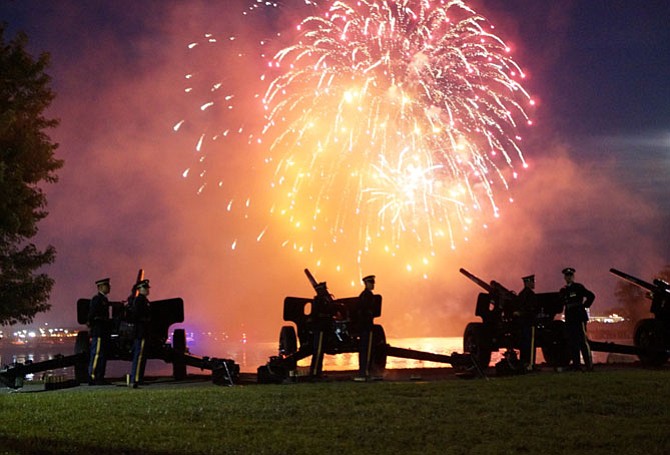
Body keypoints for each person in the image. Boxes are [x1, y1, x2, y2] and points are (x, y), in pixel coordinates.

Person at [559, 267, 595, 371]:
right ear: (565, 277)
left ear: (573, 277)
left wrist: (585, 306)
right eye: (567, 276)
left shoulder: (578, 287)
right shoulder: (563, 290)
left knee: (583, 341)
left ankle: (589, 365)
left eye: (570, 275)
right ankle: (576, 365)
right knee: (572, 342)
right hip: (570, 317)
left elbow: (591, 296)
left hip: (579, 317)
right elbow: (562, 302)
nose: (568, 277)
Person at [128, 279, 151, 388]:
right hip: (140, 332)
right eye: (145, 288)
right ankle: (136, 378)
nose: (147, 290)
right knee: (139, 355)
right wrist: (145, 320)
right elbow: (135, 316)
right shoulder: (139, 301)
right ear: (140, 289)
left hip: (143, 331)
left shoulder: (144, 301)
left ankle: (139, 377)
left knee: (142, 356)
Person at [88, 277, 111, 385]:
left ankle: (100, 376)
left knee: (102, 355)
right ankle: (92, 376)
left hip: (104, 331)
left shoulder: (104, 300)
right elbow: (91, 316)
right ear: (101, 287)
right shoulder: (96, 299)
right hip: (98, 331)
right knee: (96, 354)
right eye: (107, 286)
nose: (109, 287)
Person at [355, 275, 376, 381]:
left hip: (364, 326)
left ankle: (364, 370)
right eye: (371, 283)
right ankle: (365, 371)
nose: (373, 285)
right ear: (367, 284)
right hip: (366, 326)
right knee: (366, 349)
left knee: (365, 349)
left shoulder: (364, 295)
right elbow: (365, 311)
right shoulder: (367, 295)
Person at [516, 275, 538, 371]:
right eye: (532, 282)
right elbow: (533, 309)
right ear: (528, 283)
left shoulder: (521, 294)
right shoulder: (531, 295)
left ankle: (523, 363)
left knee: (524, 344)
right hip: (530, 323)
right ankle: (530, 364)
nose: (533, 284)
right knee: (531, 344)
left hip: (522, 323)